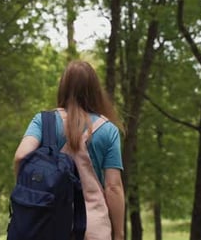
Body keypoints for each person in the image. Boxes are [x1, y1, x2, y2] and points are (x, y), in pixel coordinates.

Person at [13, 60, 125, 240]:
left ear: (63, 87)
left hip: (47, 225)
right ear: (95, 90)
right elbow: (113, 187)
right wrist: (118, 234)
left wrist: (29, 197)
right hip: (93, 228)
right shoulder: (108, 130)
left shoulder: (43, 121)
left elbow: (21, 157)